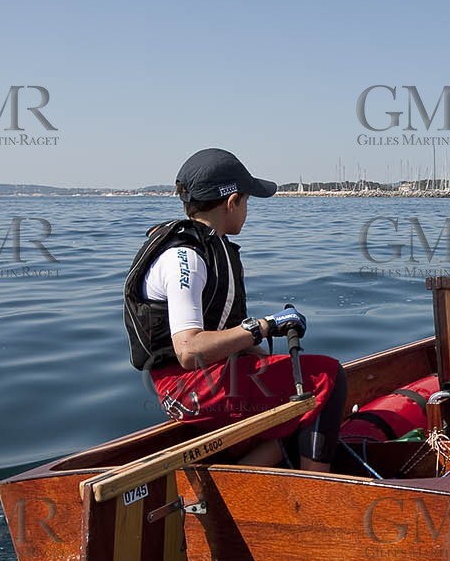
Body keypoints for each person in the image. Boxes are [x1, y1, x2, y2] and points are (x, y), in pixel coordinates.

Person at [123, 147, 346, 472]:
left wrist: (259, 353)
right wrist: (265, 326)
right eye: (247, 202)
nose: (246, 211)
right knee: (328, 376)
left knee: (298, 392)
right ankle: (318, 493)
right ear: (232, 202)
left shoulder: (206, 248)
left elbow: (221, 332)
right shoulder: (186, 258)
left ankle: (241, 484)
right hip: (186, 388)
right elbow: (188, 350)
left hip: (204, 380)